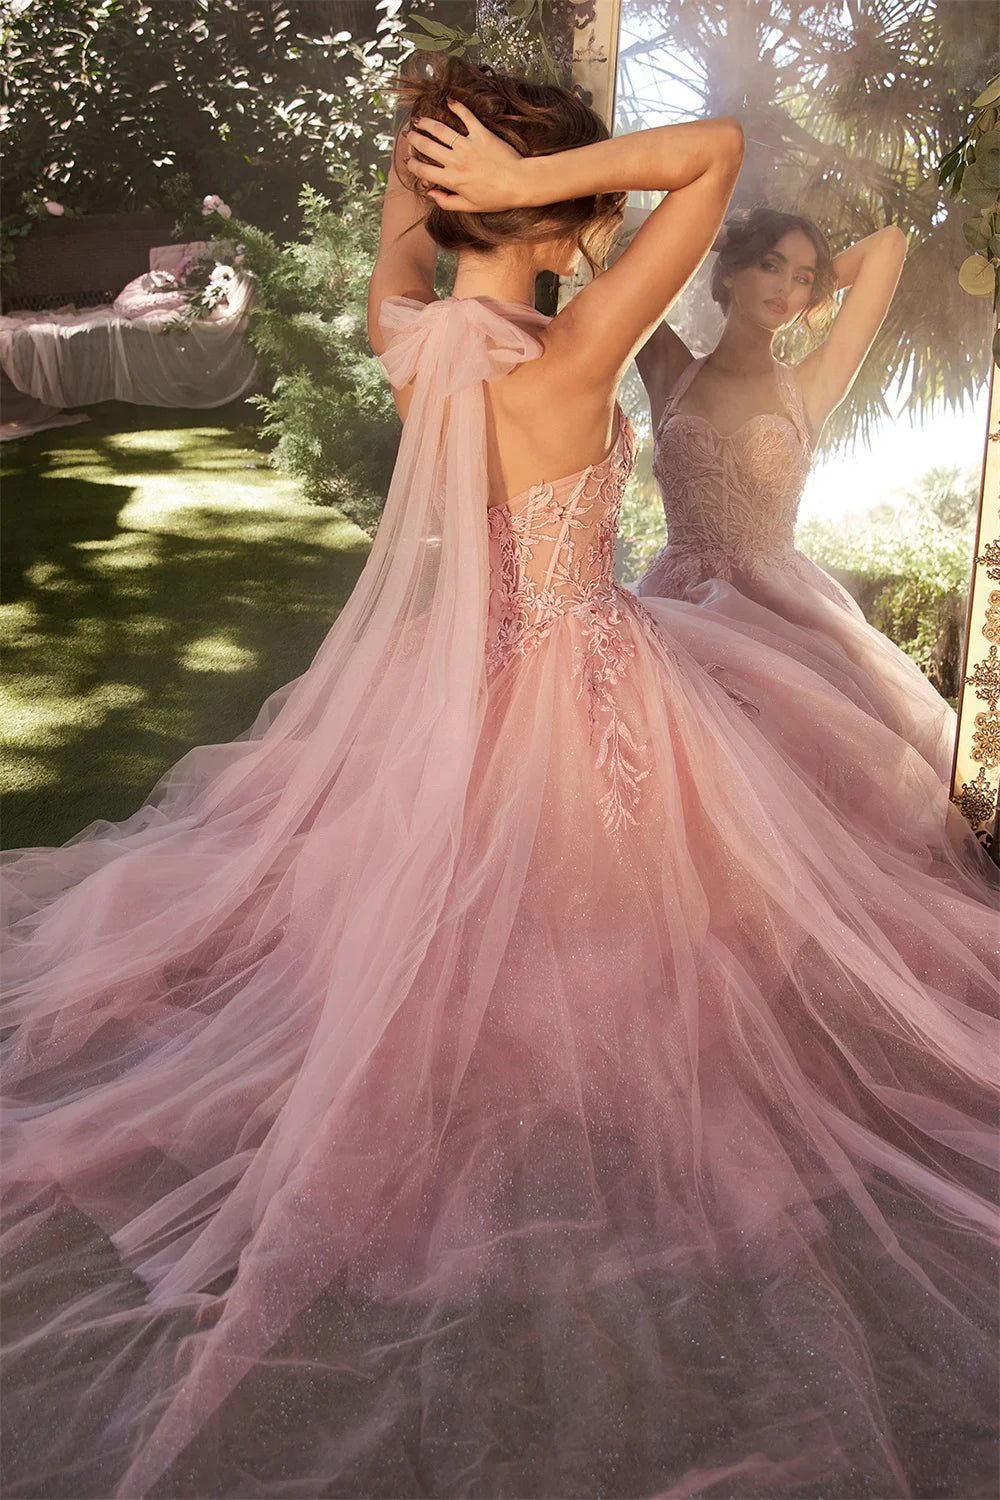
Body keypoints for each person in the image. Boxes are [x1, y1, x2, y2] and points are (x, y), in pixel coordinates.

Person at [1, 58, 996, 1500]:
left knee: (476, 922)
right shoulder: (575, 347)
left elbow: (399, 262)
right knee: (628, 944)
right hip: (591, 688)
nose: (588, 220)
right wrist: (532, 180)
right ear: (538, 209)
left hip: (460, 695)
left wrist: (442, 172)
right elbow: (714, 149)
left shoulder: (419, 339)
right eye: (567, 200)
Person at [631, 207, 960, 782]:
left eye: (803, 277)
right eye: (770, 265)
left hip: (784, 618)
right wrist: (724, 234)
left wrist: (799, 272)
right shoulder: (668, 368)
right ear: (730, 272)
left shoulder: (811, 384)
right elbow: (612, 245)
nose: (786, 287)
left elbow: (887, 247)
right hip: (677, 608)